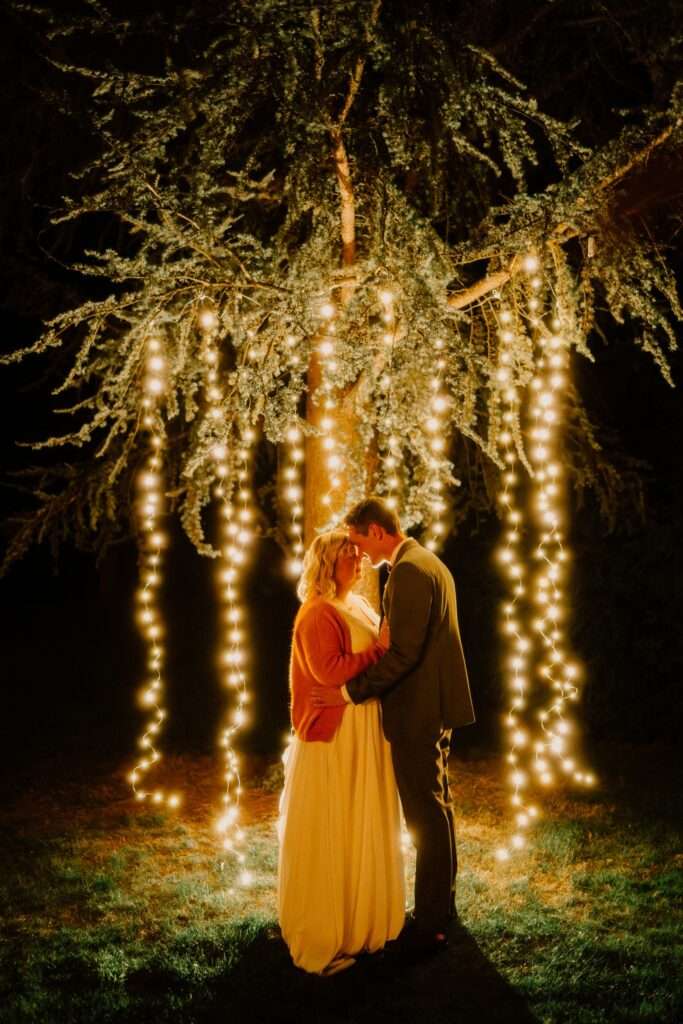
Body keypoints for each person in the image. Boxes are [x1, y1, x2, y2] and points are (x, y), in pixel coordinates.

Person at [312, 497, 474, 960]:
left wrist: (348, 693)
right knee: (438, 808)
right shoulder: (429, 563)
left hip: (418, 712)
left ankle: (430, 926)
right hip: (436, 708)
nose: (358, 552)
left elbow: (403, 654)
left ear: (378, 532)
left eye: (359, 539)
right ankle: (442, 911)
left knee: (425, 816)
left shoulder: (407, 571)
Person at [277, 529, 405, 975]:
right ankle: (324, 927)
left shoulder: (357, 605)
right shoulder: (316, 613)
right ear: (327, 564)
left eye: (357, 553)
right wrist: (380, 651)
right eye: (348, 554)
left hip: (362, 729)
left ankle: (363, 920)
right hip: (334, 737)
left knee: (359, 818)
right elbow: (328, 671)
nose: (358, 559)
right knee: (333, 822)